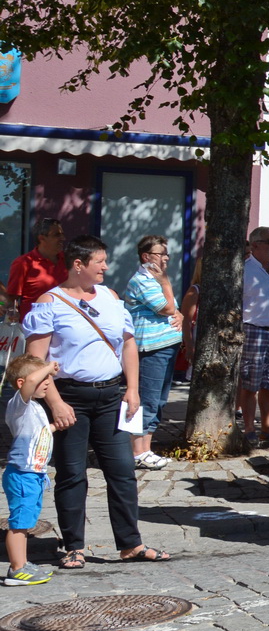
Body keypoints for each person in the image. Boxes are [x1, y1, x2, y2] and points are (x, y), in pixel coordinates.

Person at [24, 233, 169, 569]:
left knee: (122, 471)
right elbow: (35, 362)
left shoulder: (110, 296)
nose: (106, 266)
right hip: (69, 396)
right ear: (78, 265)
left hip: (110, 396)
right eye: (100, 261)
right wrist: (56, 403)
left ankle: (130, 544)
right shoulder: (50, 302)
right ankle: (74, 546)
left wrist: (132, 389)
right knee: (73, 473)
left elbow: (128, 344)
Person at [123, 235, 179, 470]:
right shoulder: (143, 281)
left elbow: (174, 309)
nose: (165, 258)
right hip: (151, 349)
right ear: (146, 257)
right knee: (147, 399)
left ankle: (146, 448)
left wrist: (179, 314)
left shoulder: (153, 280)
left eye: (167, 253)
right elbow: (167, 308)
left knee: (159, 400)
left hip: (165, 346)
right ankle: (138, 451)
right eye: (160, 254)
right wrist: (166, 283)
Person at [4, 355, 58, 586]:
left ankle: (22, 564)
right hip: (22, 473)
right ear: (21, 383)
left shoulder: (35, 408)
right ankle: (17, 570)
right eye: (43, 378)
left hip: (33, 474)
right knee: (19, 523)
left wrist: (55, 427)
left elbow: (37, 433)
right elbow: (29, 382)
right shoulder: (18, 404)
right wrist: (48, 366)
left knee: (26, 521)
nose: (47, 381)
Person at [238, 226, 269, 449]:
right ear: (255, 244)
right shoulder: (244, 269)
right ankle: (249, 429)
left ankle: (267, 429)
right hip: (254, 330)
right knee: (250, 382)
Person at [5, 219, 66, 322]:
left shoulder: (69, 261)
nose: (62, 238)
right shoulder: (24, 263)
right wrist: (10, 310)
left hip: (65, 324)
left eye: (62, 234)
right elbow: (12, 298)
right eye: (57, 235)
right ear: (41, 238)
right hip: (35, 328)